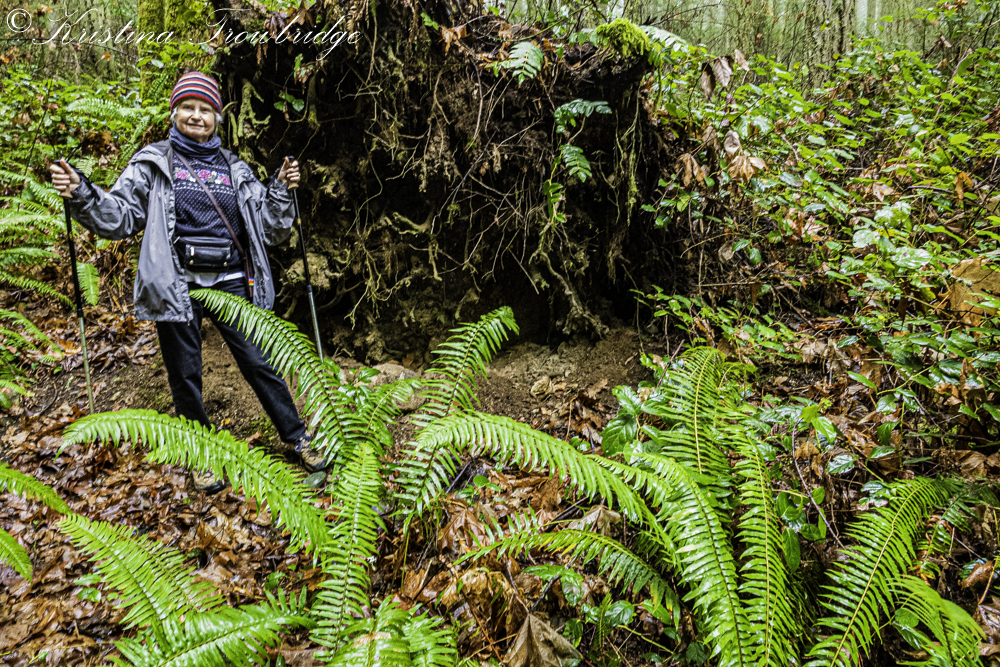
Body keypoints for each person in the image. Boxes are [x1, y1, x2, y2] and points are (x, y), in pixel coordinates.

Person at [50, 71, 328, 492]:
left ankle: (297, 436)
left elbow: (271, 228)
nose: (196, 116)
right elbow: (119, 217)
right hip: (177, 283)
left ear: (217, 117)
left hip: (234, 282)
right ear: (174, 113)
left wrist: (280, 190)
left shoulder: (235, 168)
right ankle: (201, 453)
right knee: (185, 373)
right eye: (188, 107)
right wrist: (81, 192)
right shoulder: (153, 163)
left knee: (260, 363)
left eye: (205, 109)